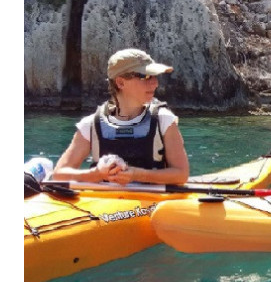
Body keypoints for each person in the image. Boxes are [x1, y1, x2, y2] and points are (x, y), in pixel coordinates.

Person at [52, 48, 190, 185]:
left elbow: (181, 174)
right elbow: (59, 174)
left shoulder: (164, 120)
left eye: (154, 77)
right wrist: (97, 174)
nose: (155, 83)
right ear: (120, 83)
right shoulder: (90, 125)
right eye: (145, 77)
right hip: (103, 203)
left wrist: (136, 175)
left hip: (151, 204)